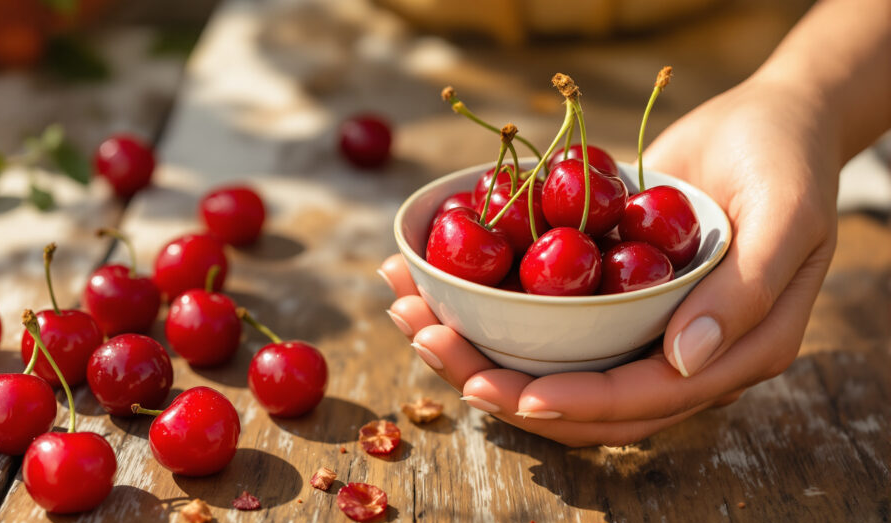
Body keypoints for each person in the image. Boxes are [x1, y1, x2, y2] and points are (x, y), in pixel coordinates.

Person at [377, 0, 891, 447]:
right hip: (390, 72)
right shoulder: (506, 203)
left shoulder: (606, 210)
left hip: (728, 76)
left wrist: (807, 98)